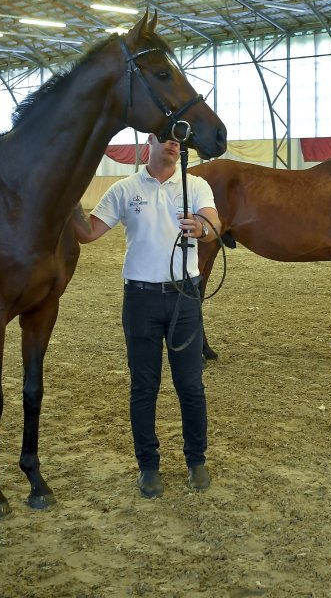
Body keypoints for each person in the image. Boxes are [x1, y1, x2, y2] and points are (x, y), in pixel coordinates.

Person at [74, 132, 221, 498]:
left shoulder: (196, 185)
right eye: (166, 139)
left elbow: (213, 224)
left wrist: (202, 228)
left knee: (191, 385)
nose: (174, 145)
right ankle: (148, 466)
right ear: (150, 143)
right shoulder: (125, 189)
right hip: (140, 298)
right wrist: (68, 197)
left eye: (179, 142)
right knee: (144, 386)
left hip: (184, 297)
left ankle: (196, 461)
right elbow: (89, 233)